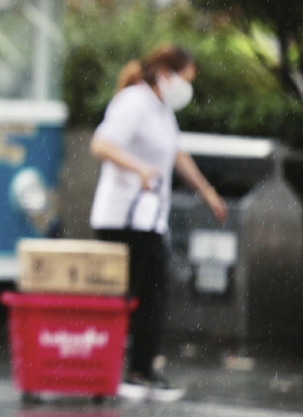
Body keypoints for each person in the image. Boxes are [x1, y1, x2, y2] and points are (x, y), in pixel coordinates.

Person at [89, 44, 227, 402]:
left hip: (149, 219)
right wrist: (139, 169)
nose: (187, 88)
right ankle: (110, 370)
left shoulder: (160, 108)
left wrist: (207, 192)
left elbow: (176, 153)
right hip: (123, 217)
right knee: (127, 297)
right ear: (165, 74)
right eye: (185, 79)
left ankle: (140, 371)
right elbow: (101, 145)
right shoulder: (133, 102)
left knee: (151, 295)